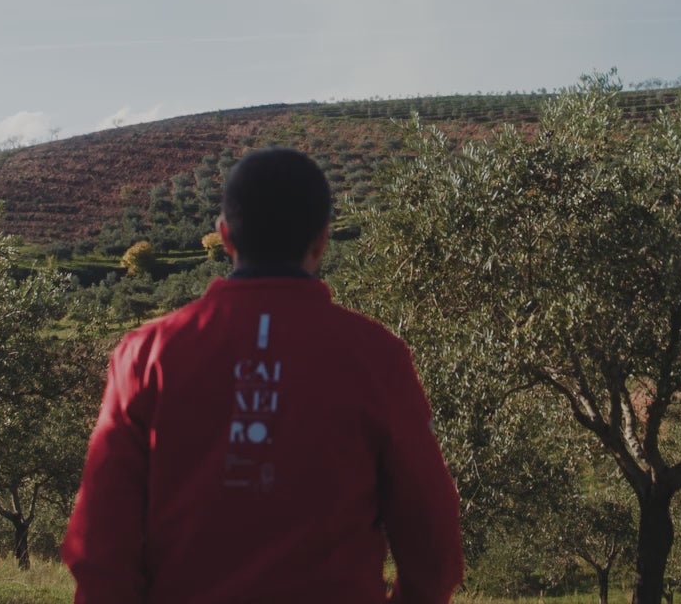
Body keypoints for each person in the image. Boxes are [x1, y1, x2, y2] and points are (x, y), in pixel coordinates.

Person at [62, 147, 464, 604]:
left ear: (225, 236)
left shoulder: (144, 356)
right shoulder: (378, 357)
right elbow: (434, 544)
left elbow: (99, 546)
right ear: (322, 239)